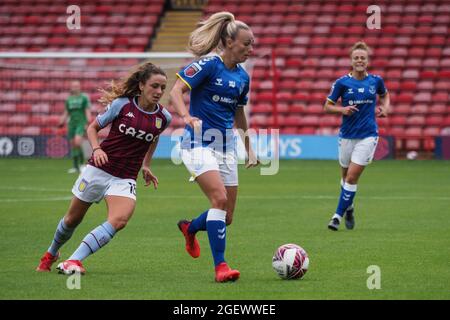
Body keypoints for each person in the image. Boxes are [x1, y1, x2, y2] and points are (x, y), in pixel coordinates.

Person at [36, 62, 171, 274]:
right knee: (72, 219)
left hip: (125, 177)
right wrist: (97, 149)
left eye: (163, 88)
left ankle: (73, 260)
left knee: (119, 220)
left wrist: (146, 164)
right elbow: (93, 128)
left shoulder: (164, 117)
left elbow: (153, 138)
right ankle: (52, 253)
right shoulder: (122, 105)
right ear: (142, 85)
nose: (159, 92)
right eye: (155, 86)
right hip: (99, 169)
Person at [170, 11, 259, 282]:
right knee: (218, 200)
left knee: (226, 216)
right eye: (246, 43)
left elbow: (239, 114)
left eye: (252, 43)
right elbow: (175, 91)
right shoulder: (208, 65)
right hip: (197, 144)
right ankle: (221, 268)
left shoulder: (243, 77)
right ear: (229, 42)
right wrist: (185, 117)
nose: (250, 49)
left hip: (226, 146)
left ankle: (190, 227)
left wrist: (249, 149)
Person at [324, 41, 390, 231]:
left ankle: (337, 216)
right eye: (356, 58)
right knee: (345, 177)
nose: (359, 60)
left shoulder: (376, 81)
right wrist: (342, 109)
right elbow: (327, 106)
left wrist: (384, 108)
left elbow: (385, 95)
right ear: (351, 61)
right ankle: (349, 207)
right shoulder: (342, 83)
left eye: (363, 58)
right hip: (346, 136)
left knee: (352, 178)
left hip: (368, 136)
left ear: (367, 61)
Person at [59, 80, 92, 173]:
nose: (75, 87)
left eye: (77, 86)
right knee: (73, 145)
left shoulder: (84, 98)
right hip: (71, 124)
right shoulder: (69, 99)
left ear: (80, 87)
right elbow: (66, 112)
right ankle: (75, 166)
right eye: (74, 86)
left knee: (78, 142)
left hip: (81, 123)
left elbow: (87, 110)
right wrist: (62, 120)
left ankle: (82, 164)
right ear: (71, 87)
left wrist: (88, 122)